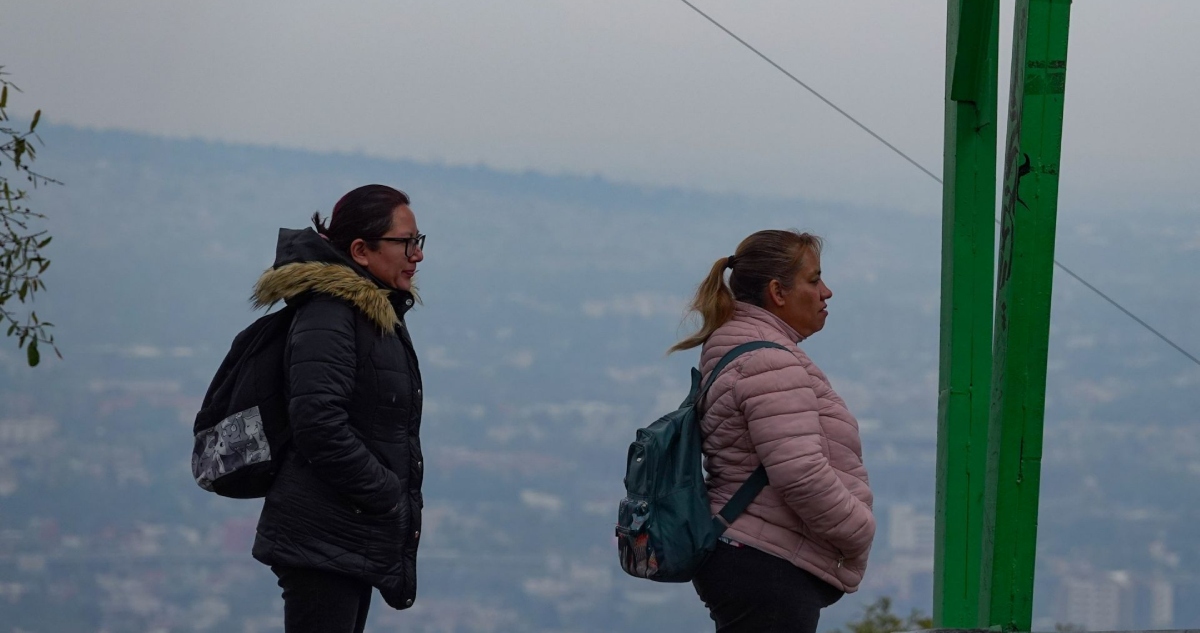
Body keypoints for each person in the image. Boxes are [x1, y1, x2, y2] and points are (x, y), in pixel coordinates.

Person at [671, 229, 875, 633]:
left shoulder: (738, 346)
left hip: (749, 552)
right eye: (814, 280)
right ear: (778, 292)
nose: (826, 292)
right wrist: (859, 530)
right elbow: (800, 473)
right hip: (766, 560)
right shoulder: (768, 362)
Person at [250, 184, 426, 633]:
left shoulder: (369, 314)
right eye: (406, 243)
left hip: (345, 533)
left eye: (418, 241)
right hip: (321, 535)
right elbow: (318, 424)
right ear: (361, 251)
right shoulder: (331, 314)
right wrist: (387, 492)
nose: (417, 255)